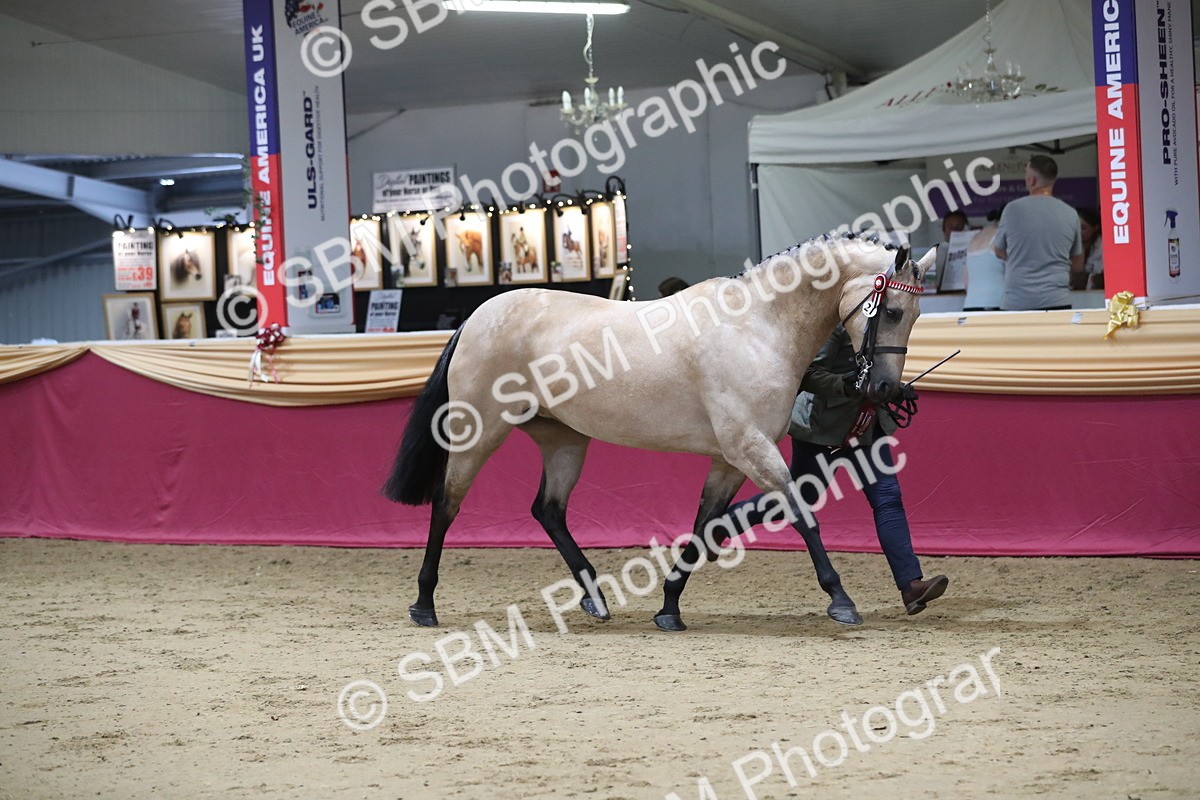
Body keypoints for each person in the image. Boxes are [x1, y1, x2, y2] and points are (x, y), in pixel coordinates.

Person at [716, 326, 949, 617]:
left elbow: (877, 372)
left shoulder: (886, 326)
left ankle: (911, 585)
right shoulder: (837, 325)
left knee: (888, 498)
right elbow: (808, 374)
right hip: (821, 428)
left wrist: (894, 389)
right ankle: (722, 525)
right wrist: (848, 387)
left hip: (865, 428)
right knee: (799, 499)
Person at [992, 155, 1084, 310]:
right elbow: (1078, 264)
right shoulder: (1071, 213)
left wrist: (1019, 258)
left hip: (1017, 301)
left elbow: (998, 250)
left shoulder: (1012, 209)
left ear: (1032, 180)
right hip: (1058, 300)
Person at [962, 205, 1006, 311]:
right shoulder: (1002, 236)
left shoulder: (976, 236)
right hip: (997, 304)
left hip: (970, 305)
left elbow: (965, 280)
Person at [933, 210, 969, 283]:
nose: (954, 230)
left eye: (959, 226)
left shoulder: (972, 250)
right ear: (944, 229)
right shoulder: (936, 251)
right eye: (950, 226)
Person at [1076, 207, 1103, 291]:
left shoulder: (1103, 247)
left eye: (1083, 228)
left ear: (1095, 228)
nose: (1078, 232)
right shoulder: (1070, 245)